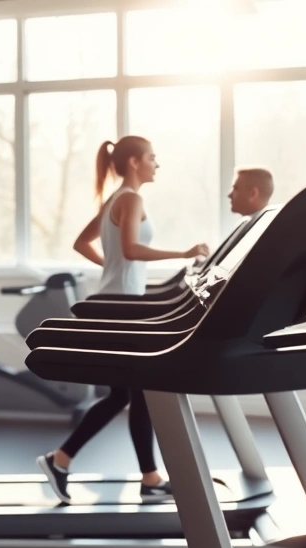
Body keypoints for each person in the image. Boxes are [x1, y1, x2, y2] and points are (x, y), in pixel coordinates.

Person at [36, 135, 210, 504]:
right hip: (119, 309)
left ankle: (71, 462)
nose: (156, 163)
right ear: (134, 162)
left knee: (126, 395)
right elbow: (130, 249)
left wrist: (113, 268)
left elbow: (84, 243)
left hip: (116, 302)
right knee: (136, 393)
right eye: (152, 156)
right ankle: (128, 474)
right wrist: (183, 252)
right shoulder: (130, 199)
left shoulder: (116, 199)